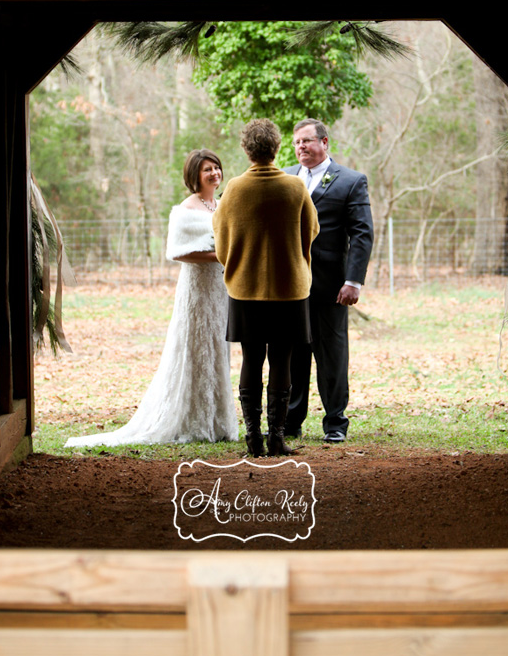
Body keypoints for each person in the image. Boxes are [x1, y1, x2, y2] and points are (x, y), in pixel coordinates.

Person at [65, 149, 238, 448]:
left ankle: (218, 420)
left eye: (217, 168)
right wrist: (220, 255)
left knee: (217, 348)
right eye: (207, 169)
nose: (214, 174)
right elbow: (178, 252)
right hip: (197, 291)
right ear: (194, 175)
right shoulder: (185, 210)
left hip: (220, 290)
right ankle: (191, 418)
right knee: (195, 349)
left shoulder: (221, 206)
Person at [212, 119, 319, 457]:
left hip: (245, 290)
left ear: (247, 150)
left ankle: (253, 440)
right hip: (290, 289)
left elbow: (221, 242)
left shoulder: (233, 189)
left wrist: (239, 263)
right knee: (282, 361)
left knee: (251, 360)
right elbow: (311, 231)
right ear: (277, 149)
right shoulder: (295, 187)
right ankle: (277, 437)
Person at [284, 117, 374, 443]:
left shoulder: (350, 181)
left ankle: (335, 422)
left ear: (324, 143)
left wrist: (354, 281)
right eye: (296, 143)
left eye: (307, 141)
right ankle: (290, 422)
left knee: (332, 356)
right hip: (290, 285)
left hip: (331, 286)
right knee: (294, 356)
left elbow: (362, 235)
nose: (301, 147)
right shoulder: (286, 178)